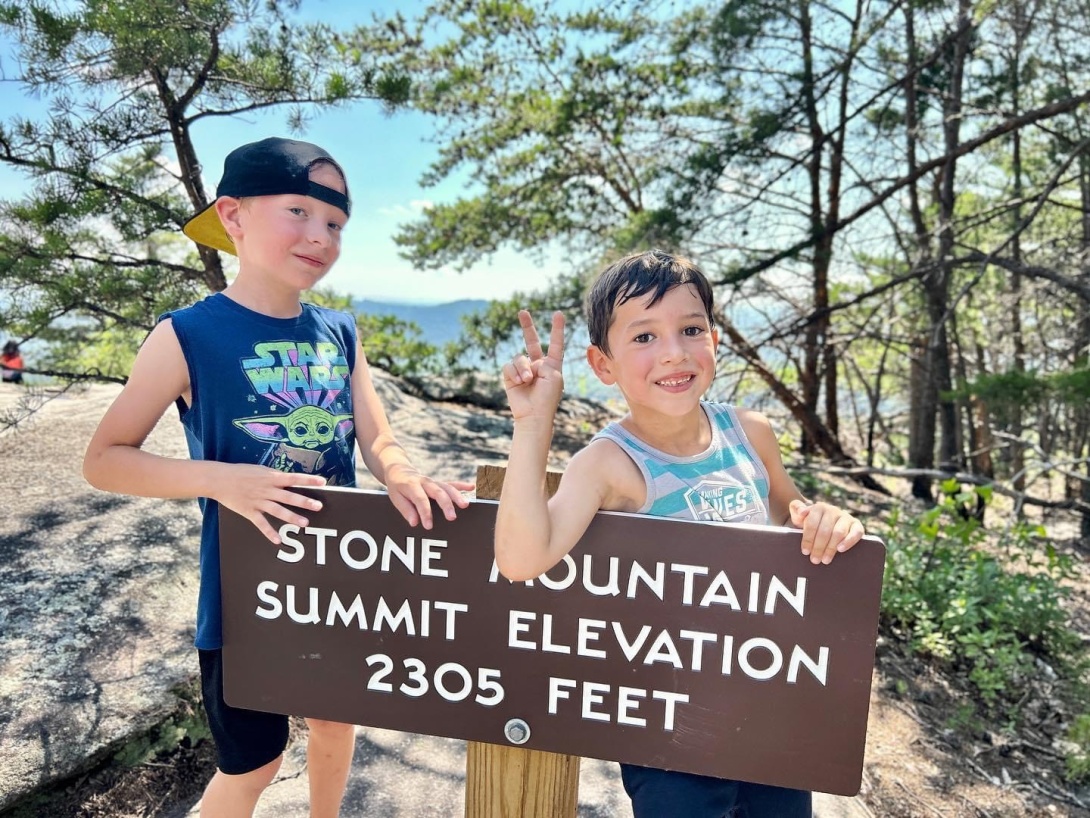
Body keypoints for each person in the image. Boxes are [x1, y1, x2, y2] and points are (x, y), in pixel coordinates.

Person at [83, 137, 473, 818]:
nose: (320, 237)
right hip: (245, 595)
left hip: (340, 582)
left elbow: (375, 435)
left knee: (334, 722)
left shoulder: (339, 332)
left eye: (335, 225)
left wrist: (404, 476)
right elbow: (106, 458)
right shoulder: (188, 335)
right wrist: (221, 481)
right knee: (254, 761)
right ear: (233, 216)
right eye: (298, 211)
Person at [494, 249, 865, 818]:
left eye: (691, 329)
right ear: (603, 364)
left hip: (766, 713)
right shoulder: (609, 463)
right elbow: (522, 558)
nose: (674, 352)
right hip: (664, 730)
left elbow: (798, 518)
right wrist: (533, 422)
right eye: (643, 337)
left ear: (713, 341)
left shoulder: (751, 434)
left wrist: (828, 522)